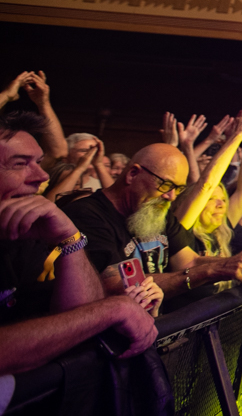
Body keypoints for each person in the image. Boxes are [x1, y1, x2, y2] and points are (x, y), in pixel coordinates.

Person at [0, 112, 158, 378]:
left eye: (38, 162)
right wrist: (112, 309)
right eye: (19, 164)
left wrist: (70, 239)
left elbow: (79, 322)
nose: (41, 175)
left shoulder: (27, 236)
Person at [64, 105, 242, 300]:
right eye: (166, 185)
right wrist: (212, 270)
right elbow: (116, 286)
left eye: (178, 189)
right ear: (133, 174)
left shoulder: (157, 211)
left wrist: (240, 262)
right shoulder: (87, 214)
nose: (171, 197)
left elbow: (189, 261)